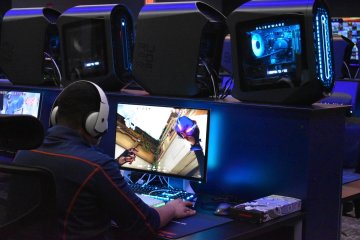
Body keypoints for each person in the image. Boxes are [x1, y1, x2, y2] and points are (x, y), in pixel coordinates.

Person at [14, 80, 196, 240]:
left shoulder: (24, 153)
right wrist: (172, 208)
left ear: (55, 115)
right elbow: (145, 224)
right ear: (96, 122)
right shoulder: (96, 167)